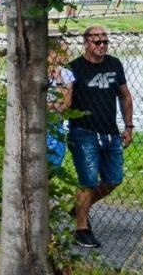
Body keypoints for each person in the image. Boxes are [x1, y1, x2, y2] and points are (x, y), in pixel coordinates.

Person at [68, 26, 133, 248]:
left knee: (113, 179)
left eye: (105, 41)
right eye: (97, 42)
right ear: (85, 43)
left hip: (111, 133)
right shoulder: (74, 68)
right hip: (83, 132)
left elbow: (125, 96)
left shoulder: (114, 64)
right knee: (87, 181)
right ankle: (81, 229)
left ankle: (79, 208)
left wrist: (129, 126)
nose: (102, 46)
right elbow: (64, 100)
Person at [46, 37, 74, 169]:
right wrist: (52, 104)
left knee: (52, 169)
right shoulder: (34, 73)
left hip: (55, 126)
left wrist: (58, 79)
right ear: (52, 53)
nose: (68, 55)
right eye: (64, 51)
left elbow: (62, 106)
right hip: (36, 126)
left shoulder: (66, 74)